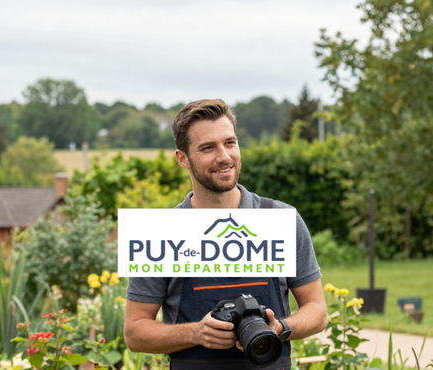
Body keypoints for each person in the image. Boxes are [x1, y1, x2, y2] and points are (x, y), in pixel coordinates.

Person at [123, 99, 328, 369]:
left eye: (230, 143)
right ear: (182, 158)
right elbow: (135, 332)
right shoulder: (160, 232)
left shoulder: (280, 219)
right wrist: (196, 333)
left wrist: (280, 327)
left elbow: (318, 310)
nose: (224, 156)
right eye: (208, 148)